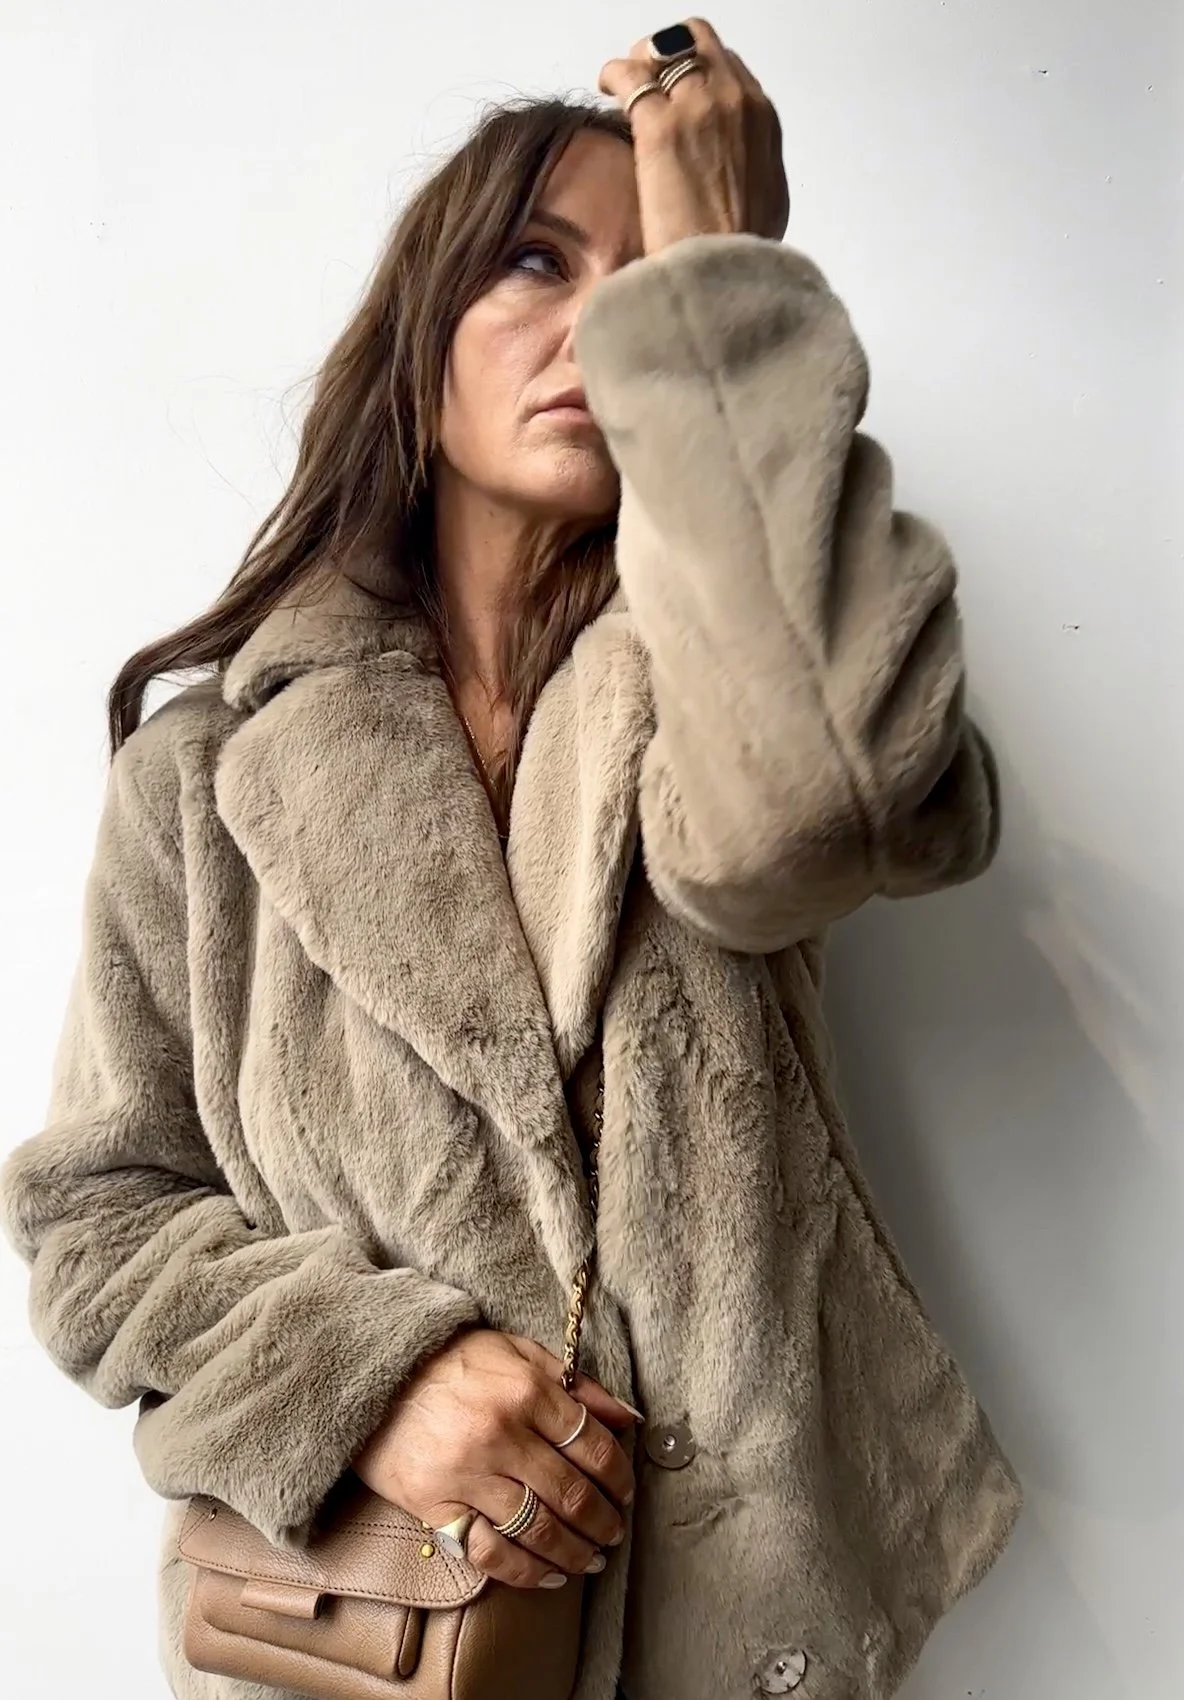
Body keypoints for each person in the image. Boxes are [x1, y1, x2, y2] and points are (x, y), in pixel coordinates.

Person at [0, 18, 1021, 1700]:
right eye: (539, 264)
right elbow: (98, 1215)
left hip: (733, 1620)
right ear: (424, 343)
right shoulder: (206, 771)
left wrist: (731, 284)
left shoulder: (726, 685)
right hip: (369, 1643)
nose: (601, 328)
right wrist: (370, 1375)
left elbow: (808, 812)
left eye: (649, 280)